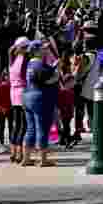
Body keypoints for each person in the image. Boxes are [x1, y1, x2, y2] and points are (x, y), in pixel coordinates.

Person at [22, 38, 60, 167]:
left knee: (31, 128)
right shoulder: (39, 65)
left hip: (27, 97)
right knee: (42, 128)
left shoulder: (30, 64)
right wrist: (57, 71)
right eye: (43, 48)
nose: (45, 50)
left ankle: (26, 158)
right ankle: (43, 160)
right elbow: (50, 80)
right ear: (37, 51)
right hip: (39, 99)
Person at [8, 36, 30, 162]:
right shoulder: (24, 59)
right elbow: (25, 77)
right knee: (23, 125)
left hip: (13, 93)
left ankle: (13, 152)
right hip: (23, 93)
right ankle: (20, 154)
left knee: (16, 124)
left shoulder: (12, 58)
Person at [0, 67, 12, 154]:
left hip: (5, 109)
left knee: (8, 127)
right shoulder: (2, 86)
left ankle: (8, 144)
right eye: (6, 75)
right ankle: (3, 144)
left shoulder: (2, 86)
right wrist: (2, 108)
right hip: (5, 109)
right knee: (5, 127)